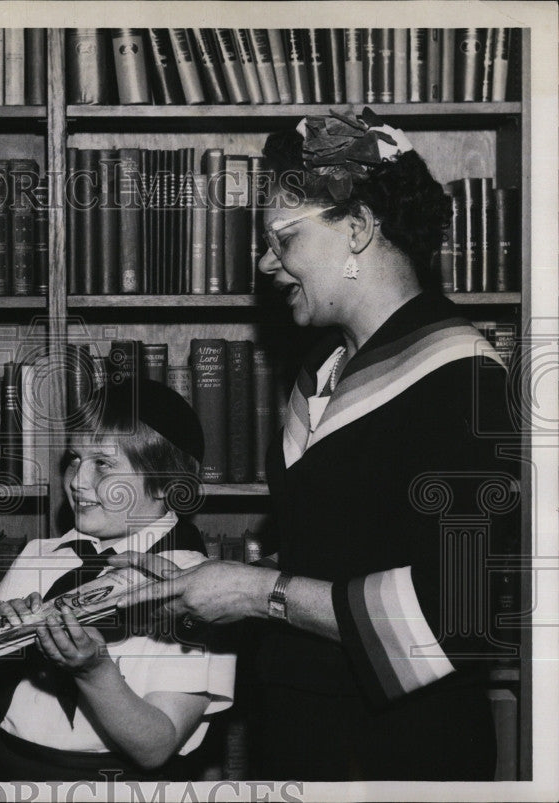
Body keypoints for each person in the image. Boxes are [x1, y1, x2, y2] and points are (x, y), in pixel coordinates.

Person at [113, 109, 520, 781]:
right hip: (305, 738)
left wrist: (256, 591)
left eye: (283, 238)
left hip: (403, 754)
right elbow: (349, 547)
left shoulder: (466, 384)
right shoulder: (324, 372)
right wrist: (198, 583)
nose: (267, 263)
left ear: (358, 228)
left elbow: (459, 617)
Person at [0, 379, 235, 781]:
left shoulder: (196, 584)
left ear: (166, 479)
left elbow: (156, 747)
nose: (77, 481)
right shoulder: (38, 555)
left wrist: (94, 671)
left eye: (103, 464)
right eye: (74, 458)